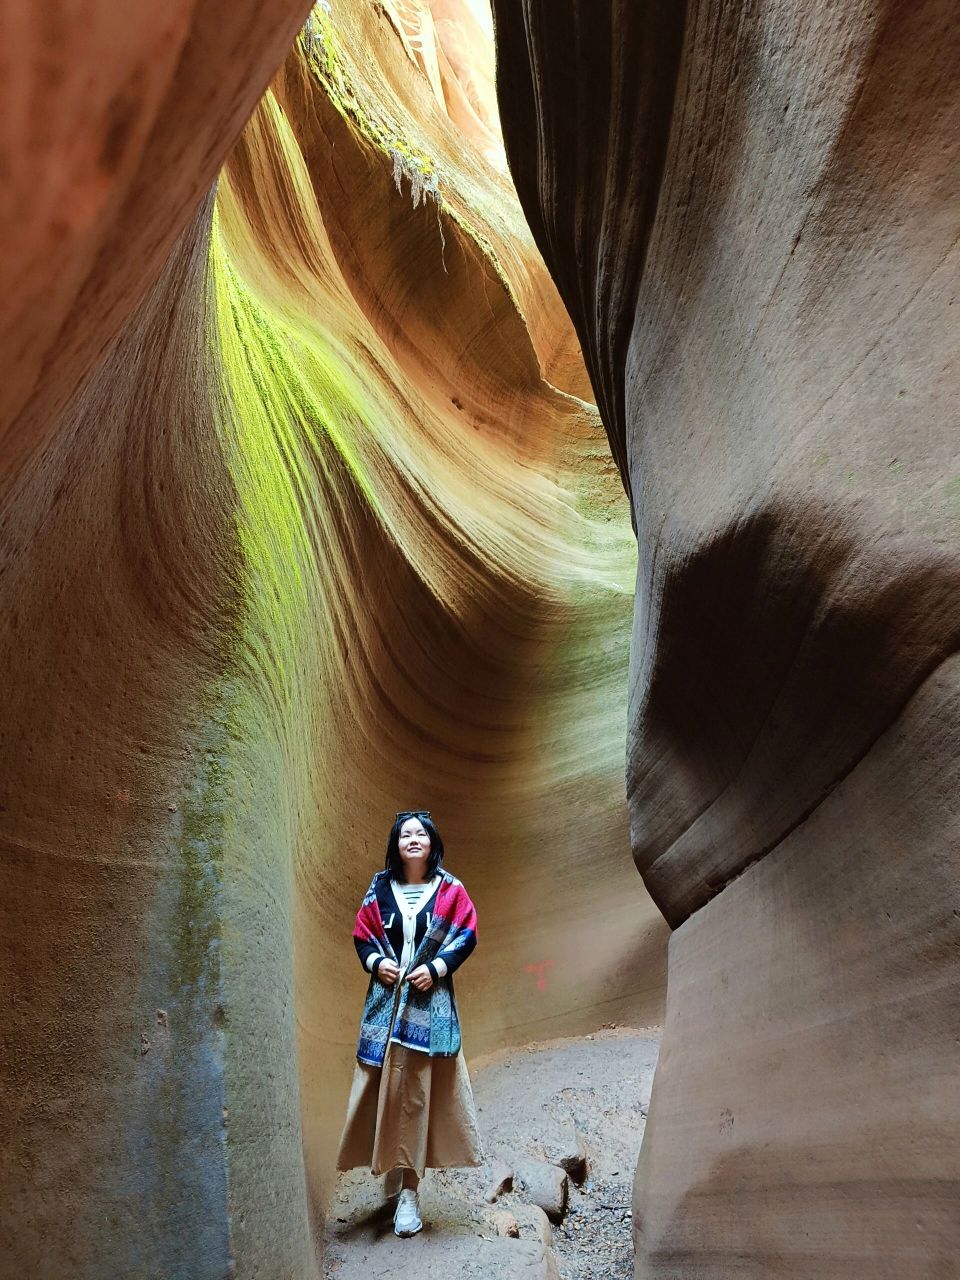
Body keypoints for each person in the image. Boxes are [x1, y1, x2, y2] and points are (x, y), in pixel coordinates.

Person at [335, 810, 483, 1237]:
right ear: (396, 844)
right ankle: (391, 1168)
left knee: (417, 1094)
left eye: (421, 833)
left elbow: (466, 933)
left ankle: (410, 1192)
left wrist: (436, 968)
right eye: (406, 834)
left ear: (433, 842)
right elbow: (363, 934)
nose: (414, 839)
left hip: (428, 1007)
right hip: (385, 1007)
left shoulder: (450, 890)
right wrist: (377, 961)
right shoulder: (379, 888)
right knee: (383, 1087)